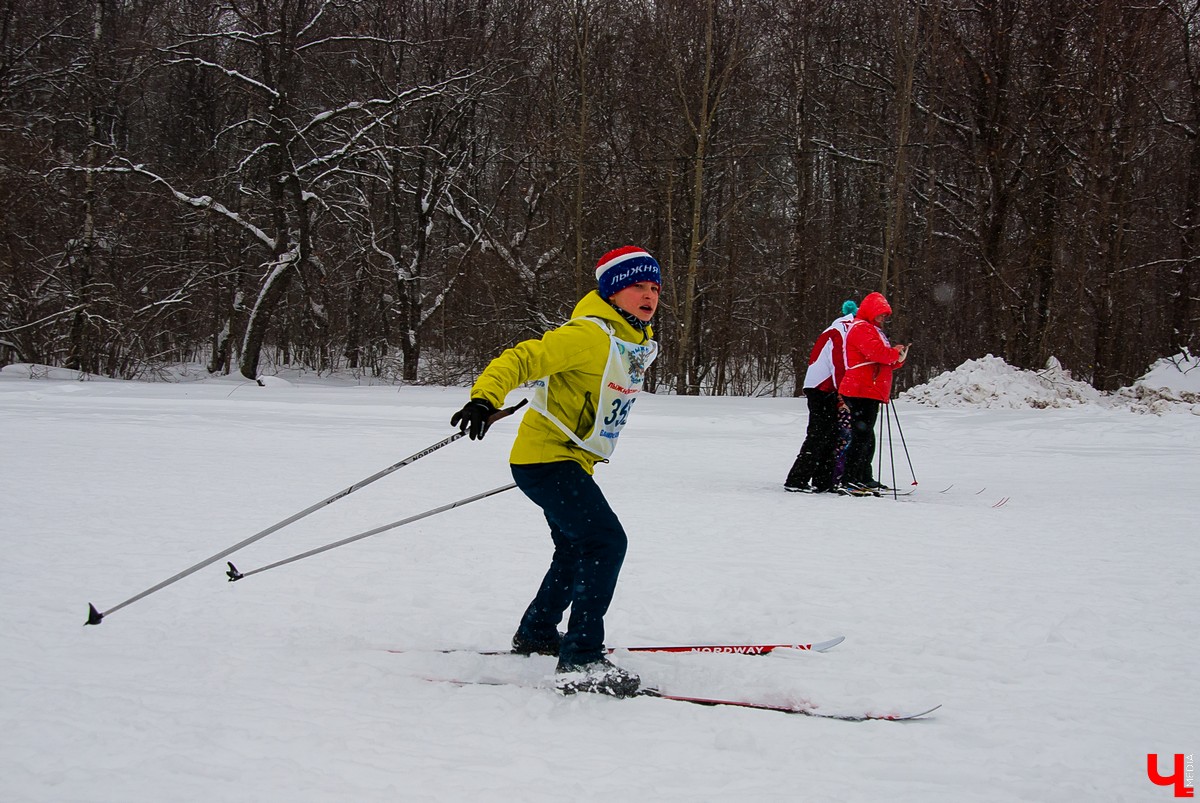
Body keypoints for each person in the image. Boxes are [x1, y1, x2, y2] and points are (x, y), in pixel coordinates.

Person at [450, 245, 661, 698]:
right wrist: (485, 398)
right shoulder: (589, 335)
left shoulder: (632, 340)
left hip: (568, 459)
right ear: (611, 293)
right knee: (605, 541)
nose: (647, 295)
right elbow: (521, 358)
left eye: (654, 287)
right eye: (636, 286)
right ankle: (582, 659)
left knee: (574, 548)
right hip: (547, 460)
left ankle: (537, 633)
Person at [838, 291, 909, 494]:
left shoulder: (872, 330)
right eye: (879, 315)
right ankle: (851, 478)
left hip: (870, 388)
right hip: (860, 388)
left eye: (884, 316)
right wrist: (894, 353)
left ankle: (863, 476)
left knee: (866, 435)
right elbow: (876, 354)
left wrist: (897, 357)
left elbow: (882, 360)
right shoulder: (861, 328)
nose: (882, 319)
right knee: (862, 435)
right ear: (870, 312)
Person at [784, 300, 858, 493]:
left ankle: (823, 479)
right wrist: (844, 392)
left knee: (830, 434)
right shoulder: (841, 331)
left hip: (823, 387)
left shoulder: (836, 329)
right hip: (821, 388)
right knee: (819, 434)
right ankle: (797, 479)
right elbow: (838, 363)